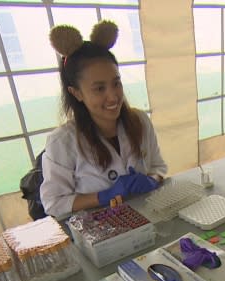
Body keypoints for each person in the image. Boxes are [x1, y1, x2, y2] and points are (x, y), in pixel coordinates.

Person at [40, 20, 167, 218]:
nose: (113, 96)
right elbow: (53, 203)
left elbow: (158, 166)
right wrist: (102, 197)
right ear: (77, 93)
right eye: (99, 88)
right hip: (100, 234)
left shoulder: (140, 121)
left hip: (148, 220)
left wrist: (152, 179)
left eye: (116, 83)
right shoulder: (62, 142)